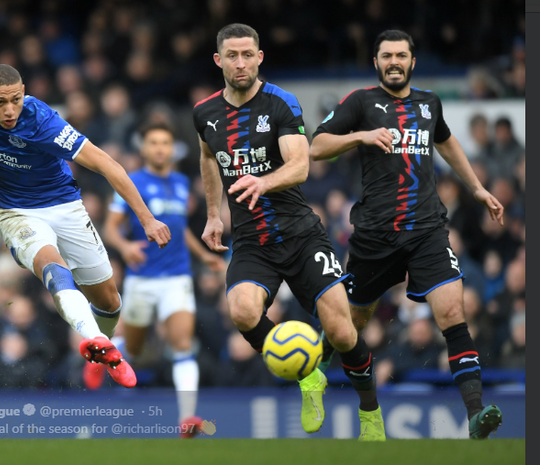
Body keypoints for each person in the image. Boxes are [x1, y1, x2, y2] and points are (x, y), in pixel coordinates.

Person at [193, 23, 385, 441]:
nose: (240, 62)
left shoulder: (281, 102)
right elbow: (209, 157)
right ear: (218, 60)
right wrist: (212, 214)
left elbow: (301, 165)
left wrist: (263, 182)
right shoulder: (204, 113)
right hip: (251, 241)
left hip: (300, 234)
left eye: (248, 54)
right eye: (232, 55)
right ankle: (309, 377)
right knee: (242, 311)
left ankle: (370, 411)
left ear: (260, 57)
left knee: (340, 330)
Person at [310, 30, 505, 439]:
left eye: (401, 55)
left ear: (412, 62)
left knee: (453, 313)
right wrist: (360, 136)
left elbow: (447, 144)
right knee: (352, 322)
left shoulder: (429, 104)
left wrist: (477, 188)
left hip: (427, 230)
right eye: (386, 56)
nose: (394, 61)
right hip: (375, 235)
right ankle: (314, 378)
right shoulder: (361, 102)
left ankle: (474, 412)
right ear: (376, 63)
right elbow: (316, 146)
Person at [0, 64, 171, 388]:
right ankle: (96, 342)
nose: (10, 109)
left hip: (63, 204)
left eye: (16, 99)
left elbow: (108, 165)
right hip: (13, 210)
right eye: (0, 103)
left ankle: (100, 347)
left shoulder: (42, 121)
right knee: (52, 266)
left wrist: (147, 219)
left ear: (25, 91)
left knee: (109, 302)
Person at [102, 121, 225, 436]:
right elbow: (110, 229)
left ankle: (187, 419)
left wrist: (204, 255)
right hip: (142, 279)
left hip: (177, 277)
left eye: (165, 143)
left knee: (183, 344)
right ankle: (108, 352)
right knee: (136, 348)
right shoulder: (131, 182)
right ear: (143, 148)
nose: (160, 148)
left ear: (172, 149)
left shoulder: (182, 183)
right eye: (154, 142)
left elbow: (178, 229)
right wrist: (125, 245)